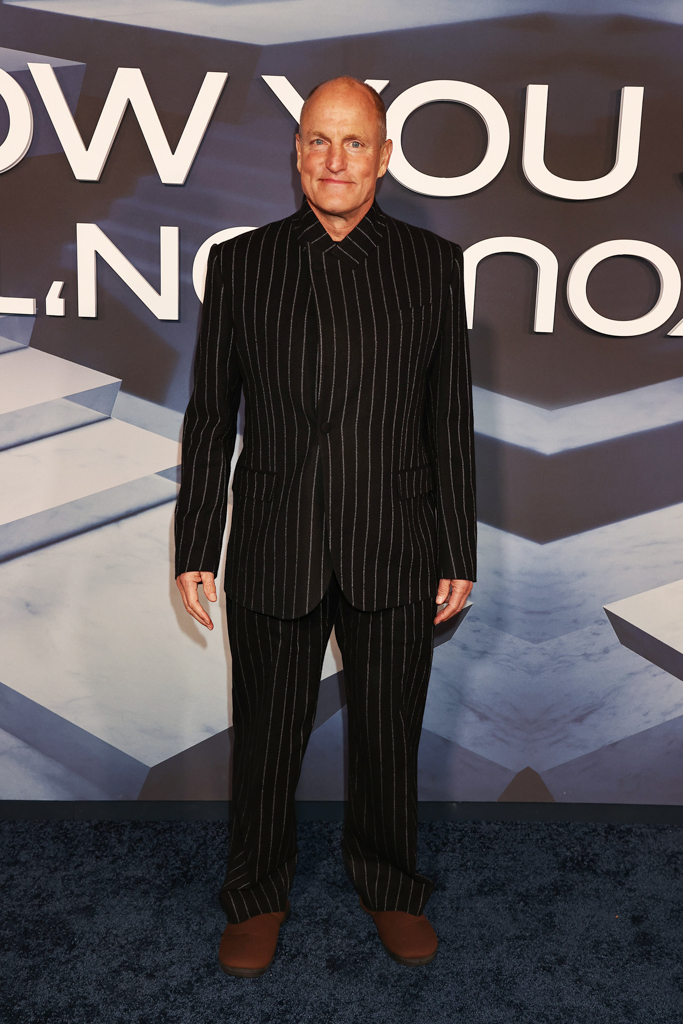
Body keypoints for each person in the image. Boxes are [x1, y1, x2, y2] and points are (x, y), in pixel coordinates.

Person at [175, 76, 476, 976]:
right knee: (266, 736)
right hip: (276, 537)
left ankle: (390, 884)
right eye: (317, 140)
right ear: (297, 152)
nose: (334, 160)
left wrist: (457, 547)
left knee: (388, 733)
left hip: (395, 538)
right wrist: (195, 544)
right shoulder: (243, 263)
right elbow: (210, 416)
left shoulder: (432, 263)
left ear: (383, 157)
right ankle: (256, 894)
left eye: (353, 142)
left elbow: (447, 419)